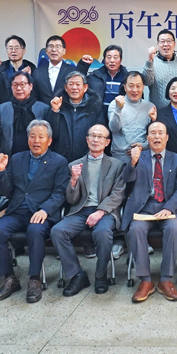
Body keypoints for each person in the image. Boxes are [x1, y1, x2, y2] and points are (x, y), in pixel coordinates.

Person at [0, 120, 69, 303]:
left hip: (41, 212)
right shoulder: (17, 158)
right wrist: (1, 171)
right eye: (32, 136)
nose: (36, 140)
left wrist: (45, 210)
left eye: (41, 137)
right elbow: (7, 191)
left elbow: (60, 192)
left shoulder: (59, 161)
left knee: (35, 230)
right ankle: (9, 278)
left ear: (49, 140)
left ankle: (34, 279)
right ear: (27, 139)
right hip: (17, 210)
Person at [52, 124, 126, 296]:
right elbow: (71, 200)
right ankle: (77, 275)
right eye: (92, 136)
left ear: (107, 142)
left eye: (100, 137)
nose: (96, 139)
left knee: (102, 233)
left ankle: (100, 275)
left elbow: (118, 194)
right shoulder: (75, 165)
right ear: (87, 139)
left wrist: (100, 212)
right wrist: (73, 181)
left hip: (105, 212)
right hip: (80, 210)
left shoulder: (117, 165)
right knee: (57, 231)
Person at [122, 122, 177, 303]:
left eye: (160, 133)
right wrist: (132, 163)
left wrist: (168, 208)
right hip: (144, 208)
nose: (157, 137)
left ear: (167, 137)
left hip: (168, 207)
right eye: (153, 133)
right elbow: (126, 180)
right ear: (147, 138)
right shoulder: (138, 157)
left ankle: (165, 279)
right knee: (136, 229)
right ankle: (145, 280)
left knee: (173, 228)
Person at [0, 71, 58, 156]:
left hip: (37, 157)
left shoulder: (43, 109)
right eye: (15, 85)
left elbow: (53, 133)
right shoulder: (2, 108)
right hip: (8, 156)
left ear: (30, 86)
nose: (19, 88)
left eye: (22, 84)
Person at [50, 71, 106, 162]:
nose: (74, 87)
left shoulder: (95, 107)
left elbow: (100, 134)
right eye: (71, 84)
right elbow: (52, 134)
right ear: (66, 88)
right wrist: (55, 111)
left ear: (85, 88)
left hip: (86, 159)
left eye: (78, 84)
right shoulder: (57, 105)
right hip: (60, 159)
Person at [107, 72, 156, 164]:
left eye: (138, 86)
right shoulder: (115, 104)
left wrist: (145, 146)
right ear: (125, 87)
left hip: (144, 156)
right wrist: (118, 109)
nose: (134, 90)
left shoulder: (150, 107)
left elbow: (155, 134)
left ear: (143, 87)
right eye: (131, 86)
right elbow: (114, 129)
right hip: (120, 156)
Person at [142, 29, 177, 108]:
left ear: (174, 44)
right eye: (162, 41)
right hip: (157, 112)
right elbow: (147, 82)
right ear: (158, 44)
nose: (165, 44)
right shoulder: (151, 63)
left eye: (169, 41)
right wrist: (149, 60)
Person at [33, 35, 90, 103]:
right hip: (43, 109)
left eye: (58, 46)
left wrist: (84, 65)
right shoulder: (37, 72)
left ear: (64, 51)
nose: (54, 50)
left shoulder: (72, 71)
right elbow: (34, 95)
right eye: (51, 46)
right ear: (46, 51)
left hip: (66, 108)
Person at [0, 35, 36, 105]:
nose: (13, 51)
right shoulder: (0, 68)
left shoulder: (32, 68)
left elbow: (35, 92)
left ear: (24, 51)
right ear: (7, 51)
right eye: (10, 48)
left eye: (17, 48)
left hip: (27, 107)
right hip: (5, 107)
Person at [86, 45, 128, 121]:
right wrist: (83, 66)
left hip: (120, 118)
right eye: (109, 57)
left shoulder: (127, 78)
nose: (112, 61)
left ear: (121, 60)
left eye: (115, 57)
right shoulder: (95, 76)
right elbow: (78, 81)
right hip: (99, 118)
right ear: (104, 59)